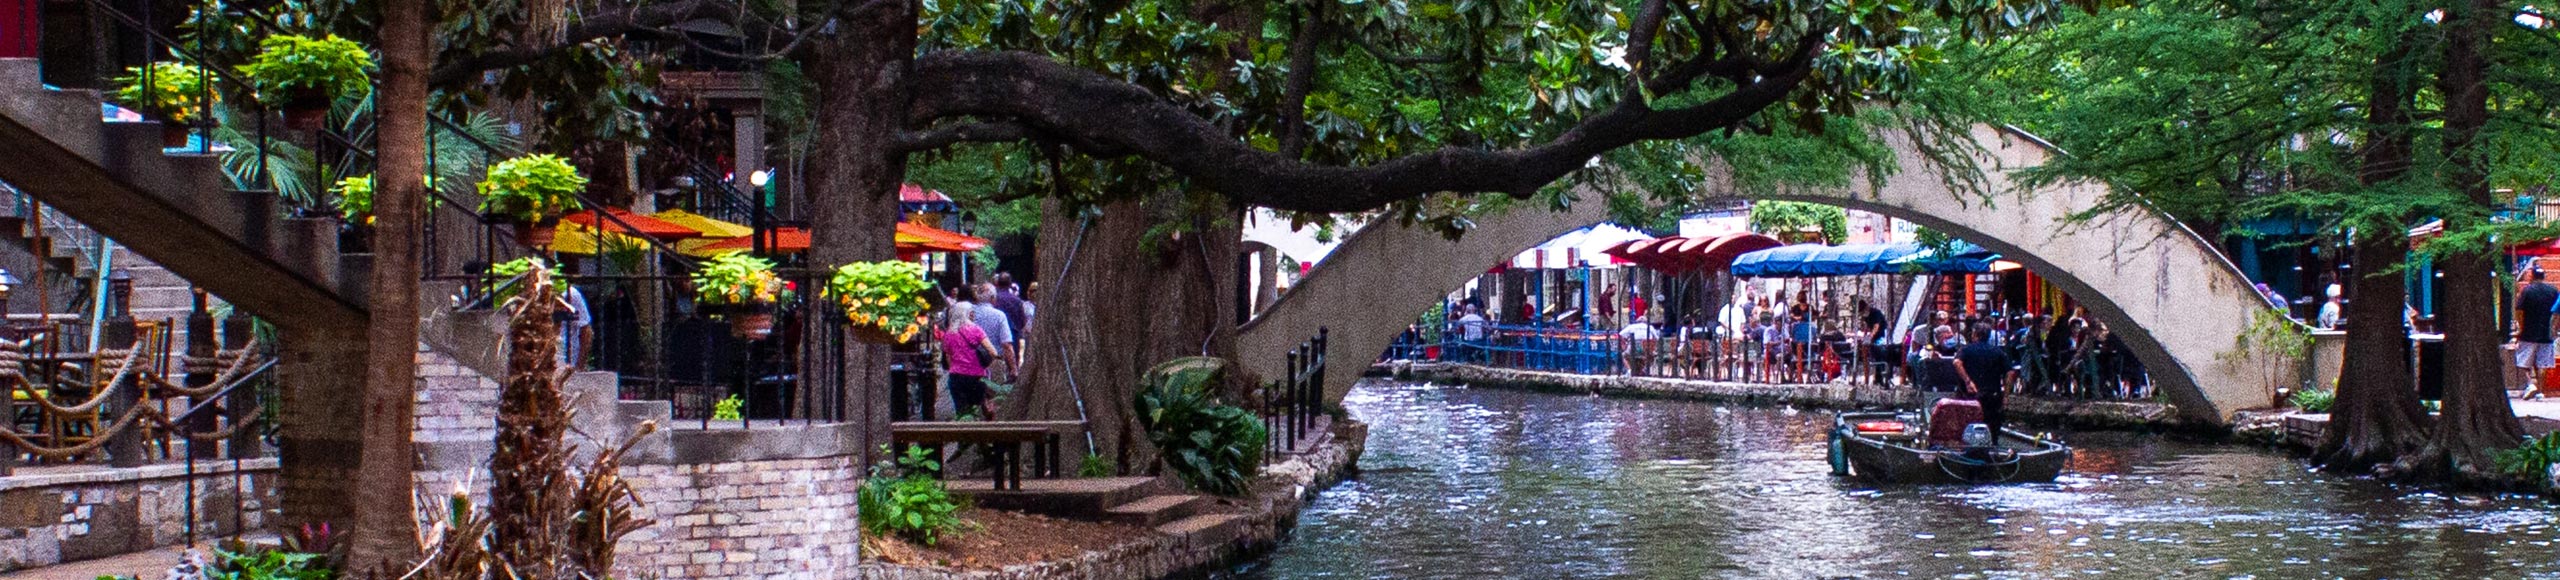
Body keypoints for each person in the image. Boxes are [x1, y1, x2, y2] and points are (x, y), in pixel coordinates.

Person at [937, 299, 1002, 420]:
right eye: (972, 312)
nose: (973, 315)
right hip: (976, 376)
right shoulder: (976, 330)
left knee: (961, 411)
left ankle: (963, 436)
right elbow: (993, 352)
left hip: (956, 377)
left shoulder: (949, 334)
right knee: (976, 409)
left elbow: (948, 357)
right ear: (967, 314)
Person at [1954, 323, 2016, 441]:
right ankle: (1993, 447)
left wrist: (1968, 381)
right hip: (1992, 395)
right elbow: (2010, 373)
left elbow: (1957, 362)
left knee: (1968, 423)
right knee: (1992, 426)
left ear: (1974, 335)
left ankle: (1967, 446)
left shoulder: (1966, 349)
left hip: (1970, 394)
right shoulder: (1998, 352)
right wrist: (2006, 395)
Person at [2516, 269, 2560, 398]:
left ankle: (2530, 383)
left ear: (2532, 276)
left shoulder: (2527, 291)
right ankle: (2540, 392)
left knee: (2523, 360)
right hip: (2547, 332)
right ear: (2544, 276)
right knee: (2543, 363)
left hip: (2528, 331)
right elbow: (2557, 313)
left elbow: (2519, 310)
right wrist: (2555, 328)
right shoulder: (2553, 291)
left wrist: (2520, 326)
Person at [970, 282, 1017, 381]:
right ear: (992, 298)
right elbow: (1006, 345)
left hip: (970, 364)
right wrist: (1013, 369)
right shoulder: (999, 315)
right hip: (994, 364)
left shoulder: (969, 313)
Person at [990, 273, 1030, 346]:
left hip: (995, 337)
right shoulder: (1017, 301)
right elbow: (1022, 322)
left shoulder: (993, 300)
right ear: (1009, 284)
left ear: (997, 283)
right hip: (1013, 337)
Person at [1618, 309, 1659, 376]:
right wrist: (1653, 347)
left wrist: (1624, 344)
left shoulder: (1632, 326)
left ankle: (1629, 370)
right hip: (1646, 349)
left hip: (1633, 349)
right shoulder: (1650, 327)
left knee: (1624, 355)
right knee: (1651, 356)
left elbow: (1620, 335)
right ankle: (1644, 369)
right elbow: (1657, 339)